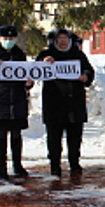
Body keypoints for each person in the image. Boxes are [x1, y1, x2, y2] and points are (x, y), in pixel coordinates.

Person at [36, 28, 95, 176]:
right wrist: (44, 63)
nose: (63, 42)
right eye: (60, 39)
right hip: (54, 103)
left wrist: (86, 77)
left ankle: (74, 162)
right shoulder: (46, 54)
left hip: (74, 102)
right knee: (54, 137)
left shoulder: (78, 55)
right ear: (54, 41)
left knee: (75, 136)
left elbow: (89, 70)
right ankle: (54, 165)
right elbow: (35, 70)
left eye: (65, 39)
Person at [0, 25, 33, 179]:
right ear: (0, 39)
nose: (8, 41)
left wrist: (28, 82)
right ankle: (2, 167)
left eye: (11, 38)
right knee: (1, 134)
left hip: (17, 99)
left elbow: (25, 74)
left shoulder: (19, 55)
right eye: (5, 38)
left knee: (17, 133)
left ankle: (17, 164)